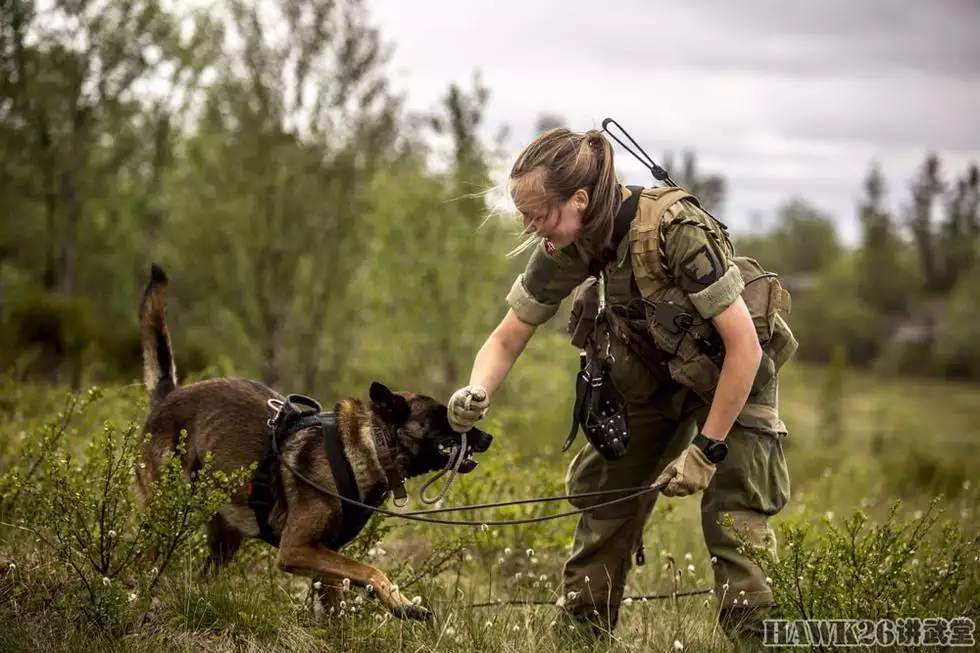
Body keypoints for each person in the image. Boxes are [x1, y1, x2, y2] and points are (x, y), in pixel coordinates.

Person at [446, 126, 797, 650]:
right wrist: (475, 391)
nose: (528, 226)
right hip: (650, 381)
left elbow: (744, 349)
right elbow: (506, 337)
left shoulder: (676, 232)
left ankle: (761, 640)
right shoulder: (566, 243)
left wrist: (707, 450)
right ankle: (581, 636)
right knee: (605, 501)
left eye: (536, 213)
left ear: (580, 199)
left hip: (731, 381)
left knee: (735, 519)